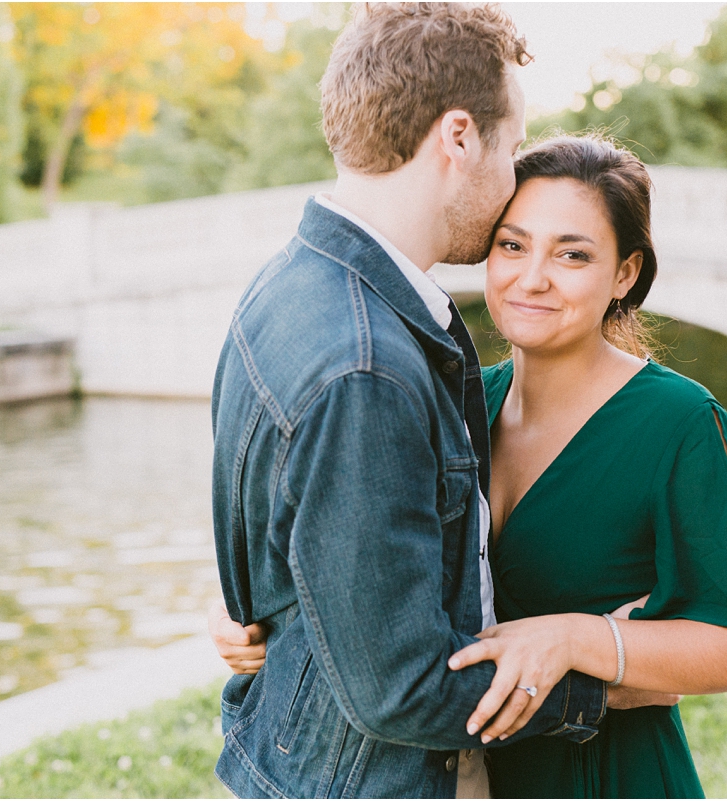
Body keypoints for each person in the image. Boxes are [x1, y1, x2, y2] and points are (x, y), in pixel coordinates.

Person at [212, 133, 727, 798]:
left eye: (572, 254)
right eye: (512, 245)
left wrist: (579, 636)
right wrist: (268, 616)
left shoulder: (682, 424)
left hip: (608, 775)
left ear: (625, 273)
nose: (532, 277)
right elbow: (365, 555)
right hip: (467, 773)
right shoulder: (456, 400)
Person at [208, 6, 652, 799]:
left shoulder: (288, 285)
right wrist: (606, 686)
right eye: (511, 148)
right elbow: (401, 690)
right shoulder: (366, 363)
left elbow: (293, 537)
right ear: (457, 137)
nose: (512, 177)